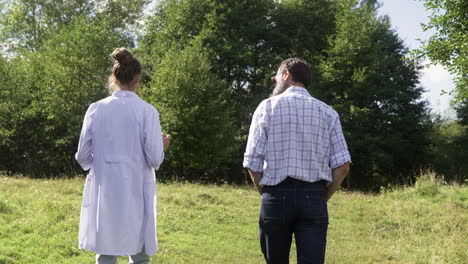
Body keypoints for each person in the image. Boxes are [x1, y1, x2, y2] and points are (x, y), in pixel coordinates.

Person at [243, 58, 351, 264]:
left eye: (277, 76)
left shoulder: (266, 108)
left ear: (287, 74)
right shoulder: (328, 112)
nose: (274, 80)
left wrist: (265, 192)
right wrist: (322, 196)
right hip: (314, 196)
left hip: (275, 194)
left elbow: (252, 161)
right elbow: (343, 166)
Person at [75, 48, 171, 264]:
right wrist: (161, 145)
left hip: (105, 187)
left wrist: (102, 163)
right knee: (139, 252)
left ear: (114, 77)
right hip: (137, 187)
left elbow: (82, 156)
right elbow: (155, 159)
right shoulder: (147, 112)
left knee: (106, 250)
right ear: (138, 79)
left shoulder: (95, 109)